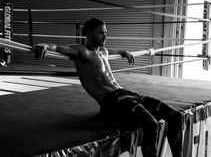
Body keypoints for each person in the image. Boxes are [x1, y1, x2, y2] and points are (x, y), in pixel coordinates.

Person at [34, 18, 182, 157]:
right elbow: (58, 47)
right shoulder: (81, 52)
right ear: (89, 33)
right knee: (151, 125)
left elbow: (112, 51)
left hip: (126, 93)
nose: (105, 36)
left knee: (175, 116)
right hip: (111, 101)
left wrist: (123, 52)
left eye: (106, 33)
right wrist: (45, 45)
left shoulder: (103, 51)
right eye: (100, 33)